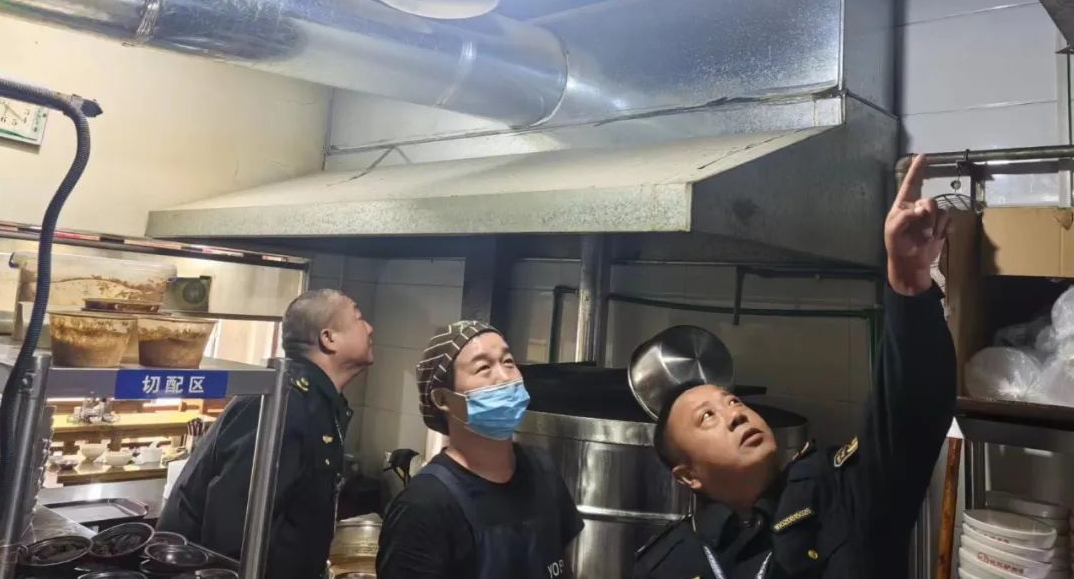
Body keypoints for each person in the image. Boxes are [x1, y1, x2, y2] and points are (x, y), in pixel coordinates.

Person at [634, 154, 956, 579]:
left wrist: (909, 283)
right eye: (707, 417)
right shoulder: (666, 565)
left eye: (732, 402)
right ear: (687, 475)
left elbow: (910, 413)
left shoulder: (840, 493)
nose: (735, 414)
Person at [159, 289, 374, 579]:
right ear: (329, 338)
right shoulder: (285, 403)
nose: (370, 328)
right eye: (359, 318)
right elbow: (231, 526)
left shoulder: (315, 402)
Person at [376, 320, 584, 579]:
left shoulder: (542, 469)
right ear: (443, 399)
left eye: (508, 362)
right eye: (484, 367)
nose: (505, 377)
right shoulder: (423, 506)